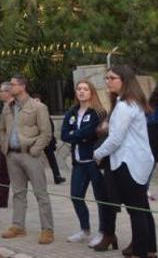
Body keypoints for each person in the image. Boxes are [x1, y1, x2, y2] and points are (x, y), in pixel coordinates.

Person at [94, 65, 156, 256]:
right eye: (106, 78)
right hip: (137, 161)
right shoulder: (130, 102)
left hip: (128, 163)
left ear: (124, 80)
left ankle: (140, 251)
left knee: (136, 210)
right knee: (142, 208)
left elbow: (115, 139)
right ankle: (148, 248)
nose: (108, 81)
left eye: (112, 78)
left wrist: (97, 154)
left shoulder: (125, 105)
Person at [0, 74, 55, 245]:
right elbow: (1, 129)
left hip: (31, 154)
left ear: (22, 86)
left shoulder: (38, 107)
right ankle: (18, 226)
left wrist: (35, 150)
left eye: (13, 85)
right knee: (18, 193)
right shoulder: (8, 107)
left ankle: (47, 229)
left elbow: (46, 133)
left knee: (41, 193)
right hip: (12, 155)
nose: (9, 88)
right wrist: (4, 146)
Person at [60, 79, 109, 246]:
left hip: (95, 162)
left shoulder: (98, 112)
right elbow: (64, 135)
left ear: (91, 92)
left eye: (85, 89)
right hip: (79, 162)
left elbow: (92, 132)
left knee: (100, 198)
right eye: (79, 89)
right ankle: (85, 229)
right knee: (76, 196)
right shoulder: (71, 112)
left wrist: (77, 134)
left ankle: (103, 232)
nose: (81, 92)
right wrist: (81, 135)